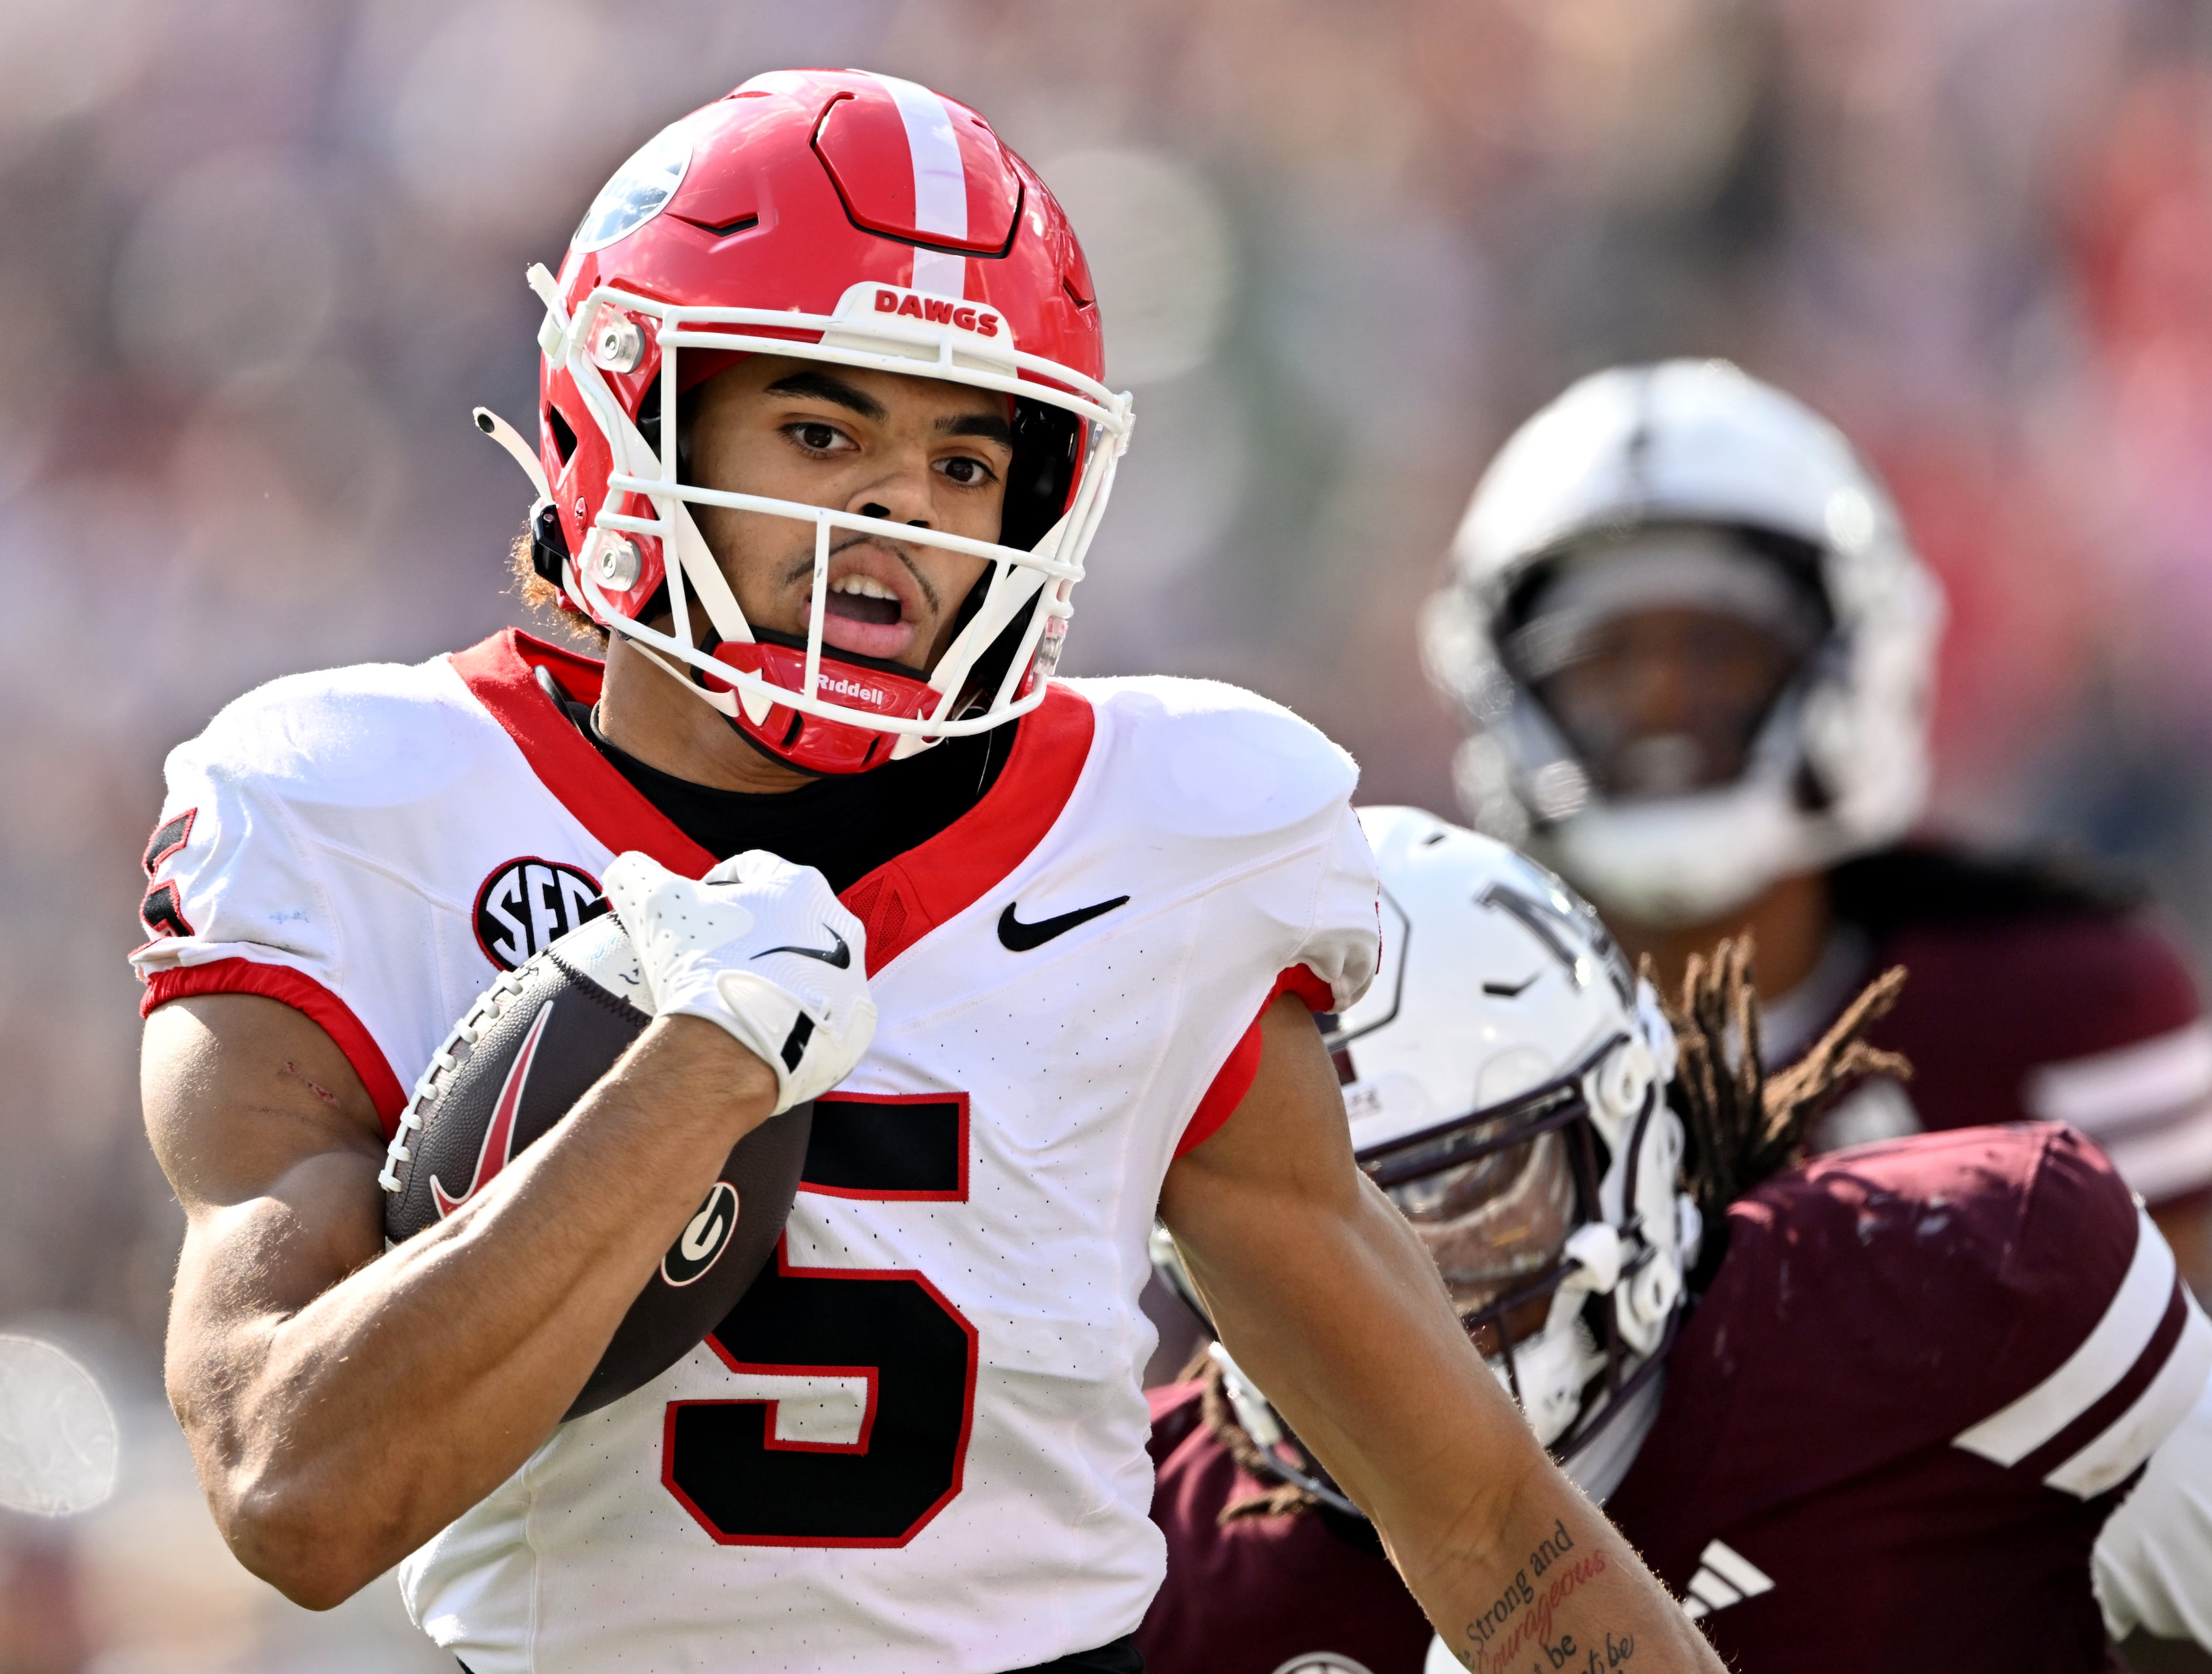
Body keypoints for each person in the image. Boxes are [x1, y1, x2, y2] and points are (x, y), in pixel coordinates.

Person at [131, 73, 1722, 1674]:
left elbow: (1482, 1520)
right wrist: (691, 1073)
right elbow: (293, 1493)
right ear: (627, 423)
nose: (899, 507)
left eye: (966, 464)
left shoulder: (1162, 837)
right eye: (822, 433)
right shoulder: (363, 804)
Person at [1141, 807, 2212, 1673]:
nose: (1403, 1282)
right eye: (1317, 1213)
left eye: (1469, 1186)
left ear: (1631, 1131)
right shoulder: (1139, 1560)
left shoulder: (1972, 1293)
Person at [1419, 360, 2212, 1290]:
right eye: (1606, 659)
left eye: (1717, 650)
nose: (1663, 704)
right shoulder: (1430, 1048)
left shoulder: (2064, 1002)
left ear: (1855, 657)